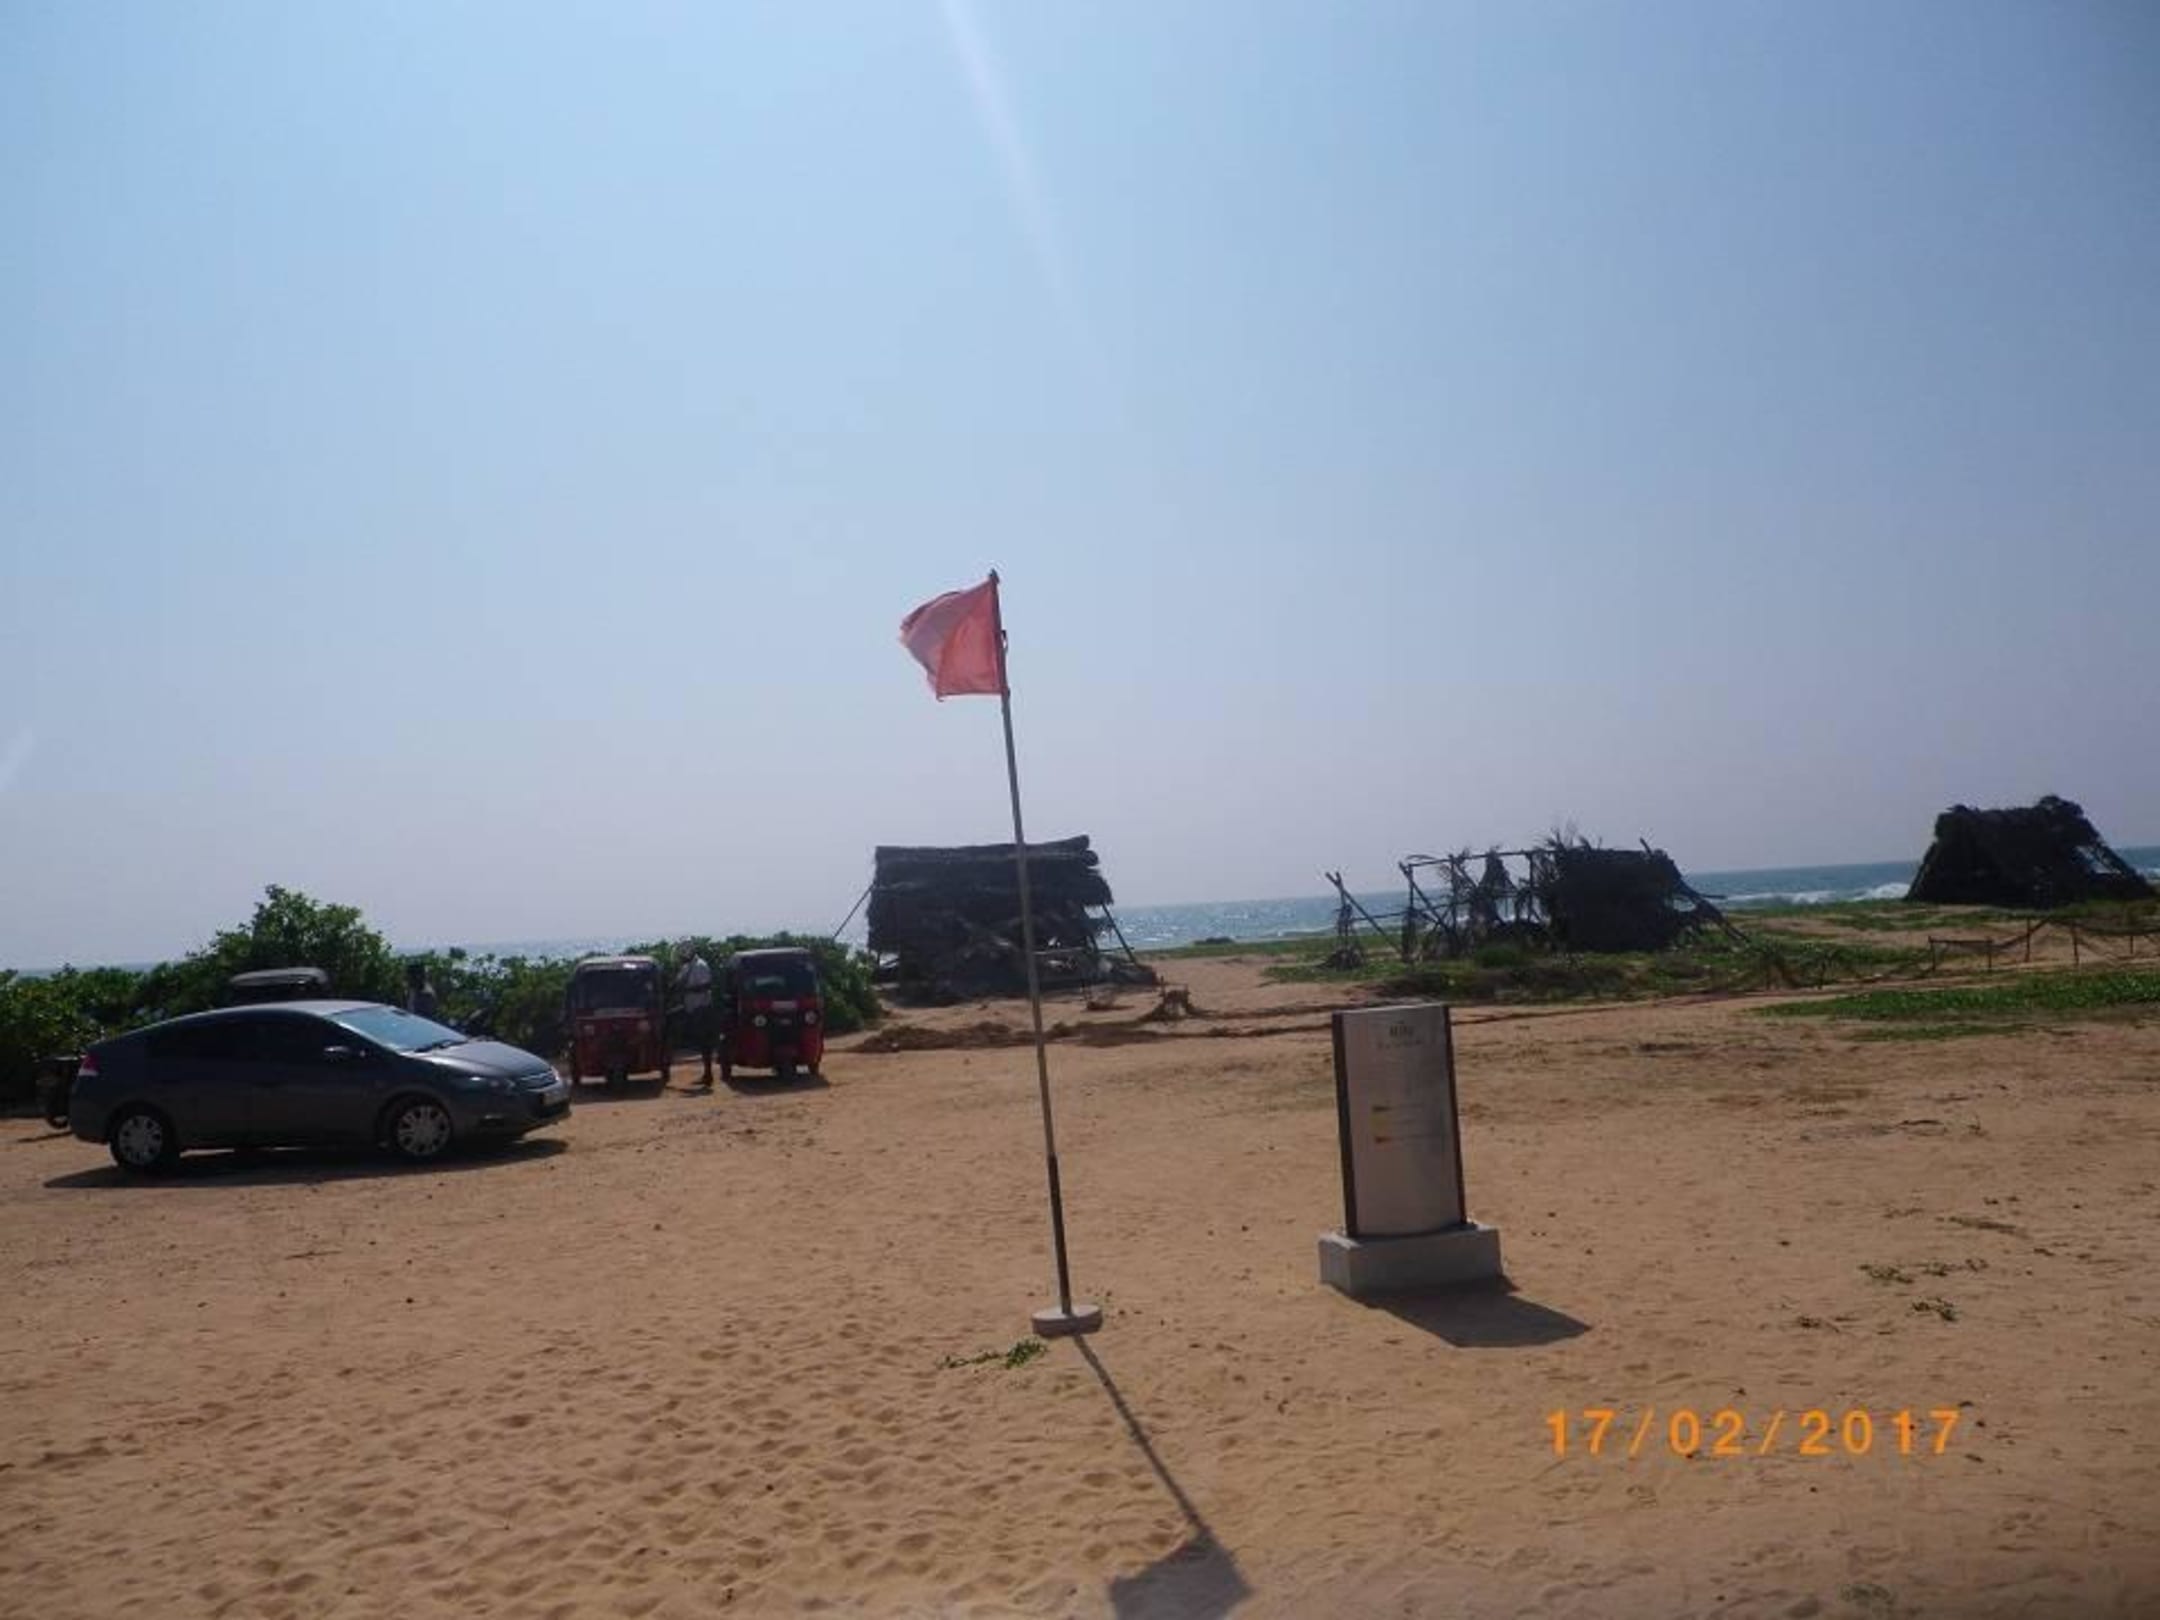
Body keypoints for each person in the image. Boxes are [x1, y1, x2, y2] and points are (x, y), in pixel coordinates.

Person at [677, 945, 716, 1085]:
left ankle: (708, 1074)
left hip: (702, 1007)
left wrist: (687, 990)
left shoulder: (700, 966)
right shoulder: (687, 966)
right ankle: (707, 1074)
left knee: (704, 1042)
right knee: (699, 1041)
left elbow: (706, 985)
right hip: (691, 1007)